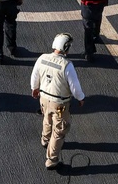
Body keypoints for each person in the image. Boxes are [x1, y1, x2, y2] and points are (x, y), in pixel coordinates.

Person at [30, 33, 85, 170]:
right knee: (60, 130)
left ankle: (45, 139)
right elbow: (75, 86)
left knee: (47, 118)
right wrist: (80, 98)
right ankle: (52, 160)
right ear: (66, 47)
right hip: (60, 103)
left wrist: (35, 89)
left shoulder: (42, 58)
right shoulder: (67, 65)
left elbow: (34, 76)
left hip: (44, 98)